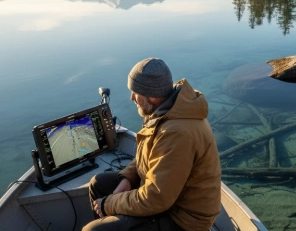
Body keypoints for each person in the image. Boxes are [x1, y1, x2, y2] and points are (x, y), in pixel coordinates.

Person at [82, 57, 221, 231]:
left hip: (183, 217)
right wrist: (127, 177)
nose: (132, 97)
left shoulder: (176, 133)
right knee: (99, 183)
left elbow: (156, 198)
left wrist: (108, 204)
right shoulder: (166, 110)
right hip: (168, 196)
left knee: (93, 230)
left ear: (152, 96)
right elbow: (149, 155)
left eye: (136, 92)